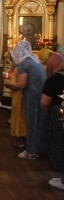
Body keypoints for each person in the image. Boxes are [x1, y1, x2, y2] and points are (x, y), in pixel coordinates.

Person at [4, 40, 47, 159]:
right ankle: (37, 149)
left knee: (31, 121)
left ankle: (31, 151)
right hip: (41, 94)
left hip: (32, 95)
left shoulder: (23, 64)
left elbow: (22, 85)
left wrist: (9, 84)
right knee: (38, 121)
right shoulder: (33, 60)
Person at [40, 52, 64, 190]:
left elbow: (44, 102)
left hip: (57, 113)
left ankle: (58, 168)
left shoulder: (53, 80)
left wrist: (46, 112)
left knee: (57, 140)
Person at [8, 65, 26, 148]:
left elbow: (20, 85)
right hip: (16, 96)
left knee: (19, 116)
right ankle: (18, 138)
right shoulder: (18, 68)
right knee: (17, 115)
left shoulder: (20, 68)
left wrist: (8, 84)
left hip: (19, 96)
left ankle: (20, 139)